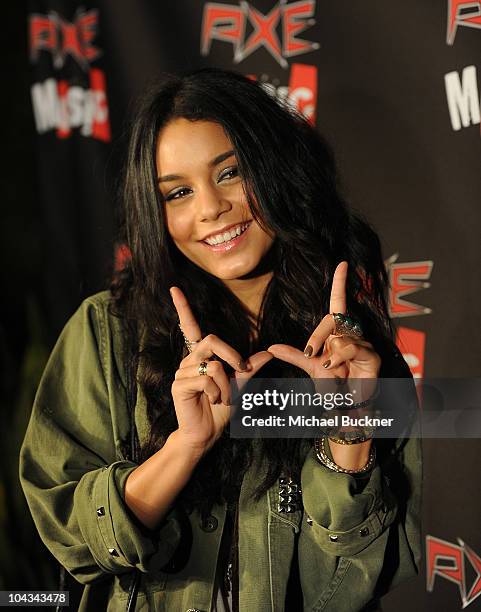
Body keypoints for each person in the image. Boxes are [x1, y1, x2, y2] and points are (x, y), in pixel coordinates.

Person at [19, 68, 421, 612]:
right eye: (178, 192)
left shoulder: (357, 357)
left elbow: (355, 582)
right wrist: (184, 448)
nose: (209, 208)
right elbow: (70, 533)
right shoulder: (107, 332)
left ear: (276, 169)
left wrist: (348, 432)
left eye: (230, 173)